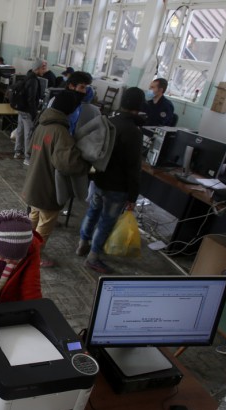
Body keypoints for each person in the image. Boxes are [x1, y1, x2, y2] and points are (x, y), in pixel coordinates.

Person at [77, 87, 146, 274]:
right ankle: (93, 257)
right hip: (117, 187)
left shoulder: (109, 121)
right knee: (106, 221)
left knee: (92, 212)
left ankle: (83, 243)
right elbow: (134, 167)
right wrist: (133, 195)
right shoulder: (133, 131)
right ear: (139, 107)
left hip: (99, 179)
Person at [21, 90, 91, 267]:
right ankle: (35, 256)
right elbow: (67, 164)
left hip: (33, 184)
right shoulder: (60, 131)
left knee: (33, 217)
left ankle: (25, 250)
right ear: (70, 110)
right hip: (48, 188)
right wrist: (85, 165)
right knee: (45, 223)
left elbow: (29, 149)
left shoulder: (42, 123)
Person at [13, 58, 45, 164]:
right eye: (43, 68)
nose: (44, 70)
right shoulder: (34, 80)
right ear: (38, 68)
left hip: (21, 109)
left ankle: (18, 152)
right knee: (29, 133)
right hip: (27, 110)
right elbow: (31, 99)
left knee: (20, 130)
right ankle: (27, 157)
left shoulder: (28, 75)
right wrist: (34, 114)